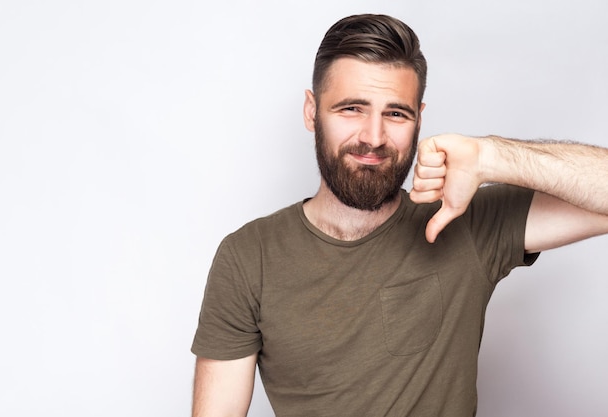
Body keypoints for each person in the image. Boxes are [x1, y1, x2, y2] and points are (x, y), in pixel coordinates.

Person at [191, 13, 608, 416]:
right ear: (311, 111)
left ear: (418, 120)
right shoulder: (248, 256)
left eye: (395, 113)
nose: (373, 138)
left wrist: (491, 155)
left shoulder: (464, 223)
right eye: (351, 108)